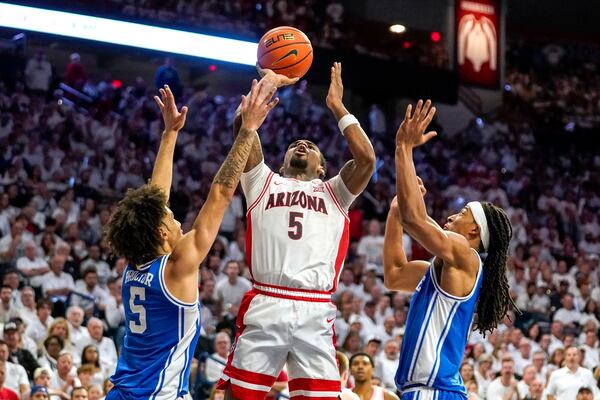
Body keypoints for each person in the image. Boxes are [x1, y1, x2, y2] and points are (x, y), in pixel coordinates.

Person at [106, 76, 279, 400]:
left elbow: (155, 197)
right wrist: (248, 130)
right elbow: (221, 194)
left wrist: (170, 134)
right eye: (171, 218)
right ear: (160, 233)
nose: (178, 222)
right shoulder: (177, 267)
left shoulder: (135, 265)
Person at [217, 62, 376, 400]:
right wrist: (268, 82)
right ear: (283, 158)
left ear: (322, 167)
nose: (302, 145)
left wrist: (337, 107)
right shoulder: (261, 180)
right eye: (295, 144)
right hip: (268, 300)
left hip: (315, 307)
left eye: (310, 146)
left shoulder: (336, 192)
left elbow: (366, 160)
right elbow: (241, 124)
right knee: (236, 396)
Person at [383, 100, 515, 399]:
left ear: (474, 231)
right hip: (427, 391)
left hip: (434, 391)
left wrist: (403, 148)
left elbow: (416, 220)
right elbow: (394, 275)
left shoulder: (466, 254)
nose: (453, 214)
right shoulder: (443, 270)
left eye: (463, 212)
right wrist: (394, 213)